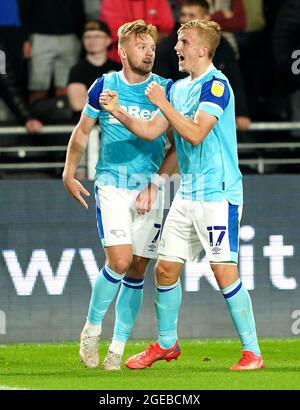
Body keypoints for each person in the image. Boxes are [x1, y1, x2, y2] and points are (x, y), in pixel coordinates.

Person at [100, 19, 265, 371]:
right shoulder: (177, 89)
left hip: (218, 194)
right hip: (187, 193)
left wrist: (162, 100)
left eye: (183, 42)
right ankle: (166, 344)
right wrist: (117, 112)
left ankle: (253, 352)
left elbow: (194, 133)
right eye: (177, 41)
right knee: (164, 270)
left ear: (202, 49)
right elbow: (149, 130)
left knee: (224, 273)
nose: (176, 48)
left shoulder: (216, 86)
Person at [63, 20, 176, 371]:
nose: (149, 52)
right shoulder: (105, 85)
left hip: (150, 188)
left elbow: (176, 149)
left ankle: (118, 347)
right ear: (123, 51)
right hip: (112, 184)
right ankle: (92, 328)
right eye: (141, 46)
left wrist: (155, 185)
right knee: (120, 261)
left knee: (139, 269)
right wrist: (69, 171)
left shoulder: (166, 90)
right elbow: (82, 132)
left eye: (152, 47)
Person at [153, 0, 251, 131]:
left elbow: (235, 80)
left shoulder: (215, 83)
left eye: (192, 16)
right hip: (178, 121)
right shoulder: (177, 84)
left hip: (207, 125)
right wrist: (118, 111)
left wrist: (241, 112)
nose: (186, 20)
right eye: (183, 15)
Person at [68, 20, 121, 120]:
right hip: (88, 124)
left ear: (108, 40)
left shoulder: (119, 68)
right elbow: (78, 104)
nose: (92, 41)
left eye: (97, 36)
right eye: (88, 37)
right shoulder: (77, 70)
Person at [99, 0, 175, 63]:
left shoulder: (159, 1)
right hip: (120, 59)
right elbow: (113, 32)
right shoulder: (111, 2)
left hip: (156, 57)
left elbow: (166, 28)